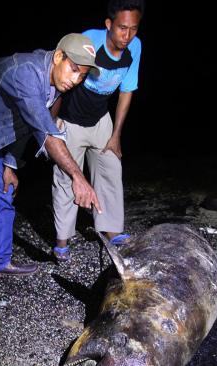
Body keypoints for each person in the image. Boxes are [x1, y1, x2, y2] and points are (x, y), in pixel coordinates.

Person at [0, 33, 102, 310]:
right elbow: (45, 132)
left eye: (82, 76)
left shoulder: (54, 84)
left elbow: (24, 123)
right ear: (59, 56)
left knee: (4, 188)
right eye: (74, 69)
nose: (75, 80)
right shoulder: (26, 73)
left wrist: (10, 164)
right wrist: (78, 177)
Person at [50, 0, 144, 262]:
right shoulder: (90, 40)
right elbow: (58, 76)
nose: (127, 35)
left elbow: (127, 90)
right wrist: (52, 120)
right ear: (108, 25)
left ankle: (112, 231)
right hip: (70, 120)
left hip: (101, 119)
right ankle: (62, 241)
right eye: (122, 28)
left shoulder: (134, 47)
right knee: (67, 180)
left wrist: (116, 135)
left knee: (111, 170)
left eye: (133, 29)